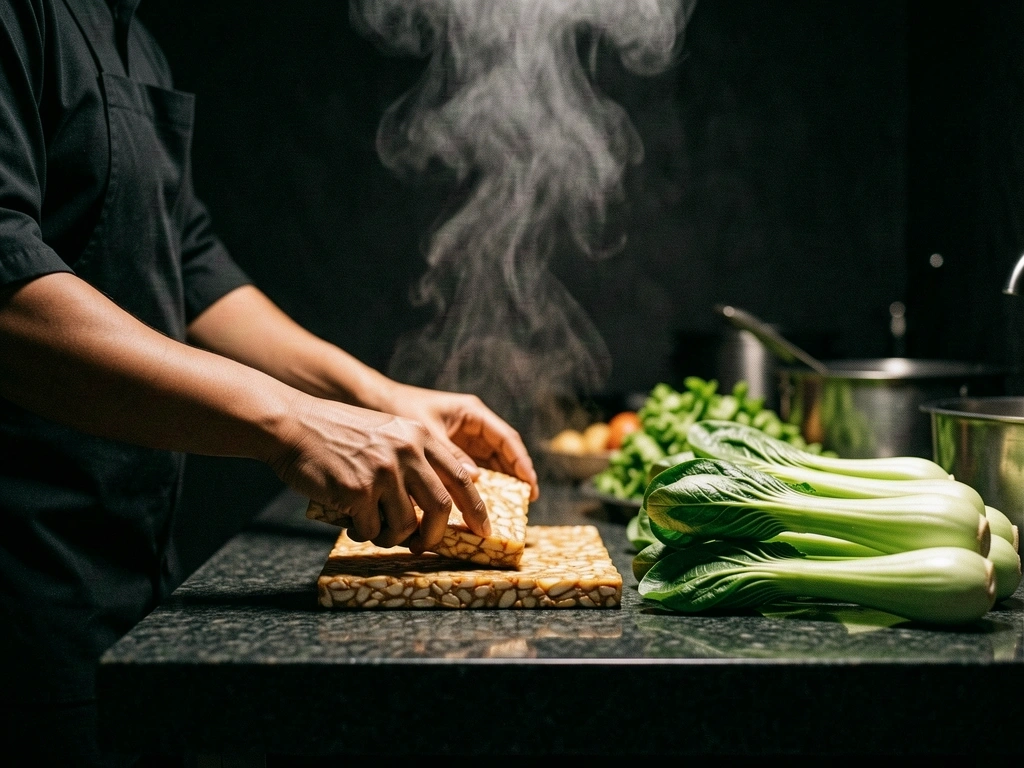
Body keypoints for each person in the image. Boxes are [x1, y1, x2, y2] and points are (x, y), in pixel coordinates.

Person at [0, 0, 539, 764]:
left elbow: (190, 265)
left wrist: (374, 397)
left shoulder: (131, 32)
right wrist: (292, 423)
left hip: (130, 568)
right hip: (21, 588)